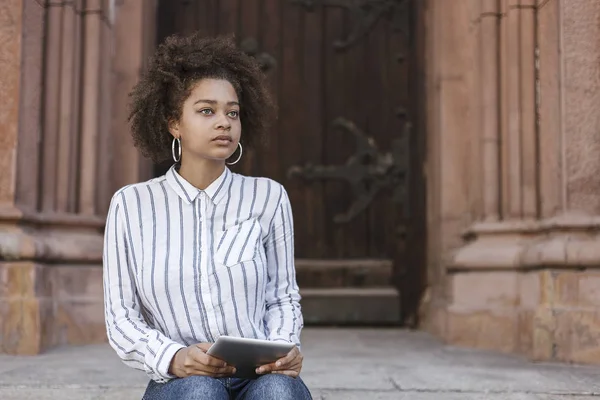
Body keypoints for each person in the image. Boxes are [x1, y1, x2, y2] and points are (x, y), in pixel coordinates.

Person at [102, 32, 312, 400]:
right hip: (180, 381)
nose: (224, 122)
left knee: (277, 391)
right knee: (200, 392)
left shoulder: (268, 197)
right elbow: (121, 317)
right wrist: (174, 357)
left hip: (258, 376)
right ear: (174, 124)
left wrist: (282, 350)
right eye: (206, 110)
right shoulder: (130, 206)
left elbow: (282, 297)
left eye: (232, 112)